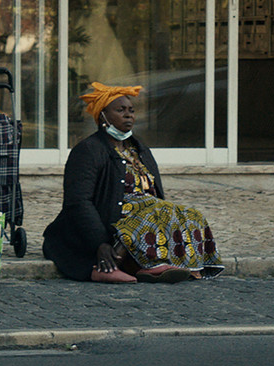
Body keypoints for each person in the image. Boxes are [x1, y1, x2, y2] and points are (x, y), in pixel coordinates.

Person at [42, 82, 224, 283]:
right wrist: (99, 242)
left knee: (190, 214)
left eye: (131, 110)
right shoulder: (88, 150)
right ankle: (115, 266)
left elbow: (157, 194)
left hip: (147, 214)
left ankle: (183, 266)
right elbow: (78, 201)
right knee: (154, 211)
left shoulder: (139, 148)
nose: (128, 115)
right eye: (120, 110)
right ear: (102, 116)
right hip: (108, 218)